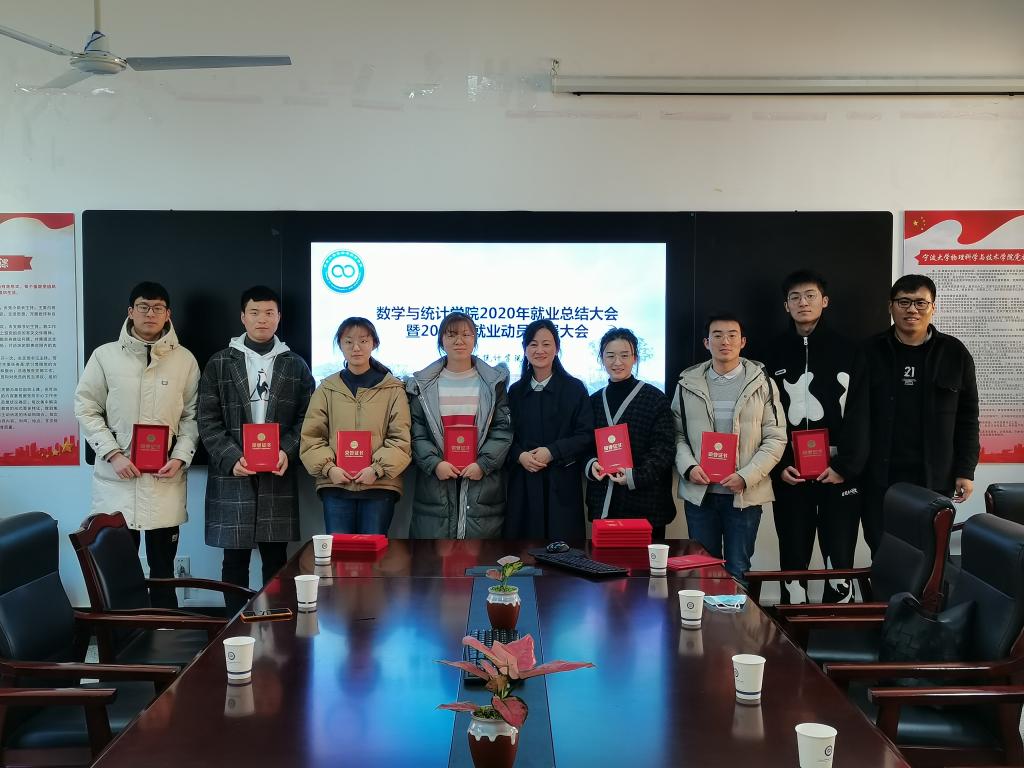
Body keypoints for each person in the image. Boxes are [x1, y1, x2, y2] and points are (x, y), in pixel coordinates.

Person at [74, 281, 199, 609]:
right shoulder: (104, 356)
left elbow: (193, 416)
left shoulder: (184, 360)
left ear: (168, 314)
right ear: (131, 312)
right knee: (118, 572)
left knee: (164, 572)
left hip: (164, 481)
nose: (150, 314)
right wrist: (112, 453)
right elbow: (85, 407)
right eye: (143, 307)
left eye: (158, 308)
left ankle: (166, 633)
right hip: (117, 480)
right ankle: (123, 636)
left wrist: (180, 456)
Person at [840, 274, 979, 555]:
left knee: (931, 553)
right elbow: (856, 415)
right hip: (880, 476)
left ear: (933, 307)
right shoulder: (870, 351)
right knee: (883, 550)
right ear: (890, 307)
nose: (912, 309)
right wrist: (849, 466)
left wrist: (965, 470)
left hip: (935, 477)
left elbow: (967, 418)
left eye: (920, 303)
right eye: (903, 302)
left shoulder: (955, 353)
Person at [198, 286, 314, 614]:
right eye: (255, 312)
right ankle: (234, 625)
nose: (262, 319)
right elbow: (206, 419)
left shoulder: (295, 365)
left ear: (279, 317)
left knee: (276, 559)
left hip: (277, 472)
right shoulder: (220, 362)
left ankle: (274, 624)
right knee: (233, 559)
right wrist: (231, 457)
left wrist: (287, 451)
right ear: (242, 317)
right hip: (233, 474)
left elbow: (308, 419)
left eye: (269, 313)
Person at [765, 271, 862, 604]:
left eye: (810, 295)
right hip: (791, 475)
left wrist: (846, 466)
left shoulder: (851, 350)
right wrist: (780, 466)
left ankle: (839, 626)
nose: (803, 302)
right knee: (793, 556)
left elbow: (863, 414)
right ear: (786, 306)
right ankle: (794, 629)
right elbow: (763, 417)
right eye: (795, 297)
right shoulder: (772, 352)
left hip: (839, 474)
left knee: (839, 557)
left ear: (825, 301)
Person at [672, 314, 785, 585]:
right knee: (702, 573)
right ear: (706, 342)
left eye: (732, 335)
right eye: (718, 335)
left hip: (743, 495)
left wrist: (746, 476)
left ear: (743, 341)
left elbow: (776, 437)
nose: (725, 341)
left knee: (738, 571)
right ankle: (705, 616)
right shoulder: (687, 383)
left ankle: (736, 615)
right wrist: (689, 467)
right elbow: (676, 434)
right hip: (701, 495)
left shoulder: (763, 383)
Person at [300, 317, 411, 535]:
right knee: (339, 554)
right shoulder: (327, 389)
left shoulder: (393, 389)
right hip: (336, 486)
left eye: (363, 340)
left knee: (374, 553)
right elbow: (311, 437)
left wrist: (376, 469)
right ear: (340, 345)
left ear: (374, 343)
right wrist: (329, 469)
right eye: (348, 341)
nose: (356, 347)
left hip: (379, 487)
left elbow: (401, 438)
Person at [406, 312, 512, 538]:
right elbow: (416, 431)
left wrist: (483, 464)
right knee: (433, 557)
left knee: (479, 556)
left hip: (480, 482)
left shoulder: (493, 383)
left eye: (466, 334)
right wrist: (435, 464)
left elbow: (502, 430)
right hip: (436, 482)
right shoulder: (423, 385)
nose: (459, 340)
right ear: (441, 340)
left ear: (475, 339)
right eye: (451, 334)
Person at [504, 319, 594, 540]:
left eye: (546, 344)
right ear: (525, 349)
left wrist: (552, 451)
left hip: (561, 483)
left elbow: (586, 434)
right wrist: (519, 455)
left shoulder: (574, 389)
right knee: (523, 550)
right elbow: (503, 434)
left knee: (563, 551)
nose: (540, 350)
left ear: (557, 348)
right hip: (524, 482)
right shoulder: (515, 391)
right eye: (533, 344)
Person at [585, 327, 676, 539]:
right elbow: (584, 444)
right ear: (601, 359)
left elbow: (664, 450)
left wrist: (633, 475)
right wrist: (591, 464)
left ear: (635, 358)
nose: (617, 362)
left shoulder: (655, 399)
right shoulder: (594, 401)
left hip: (647, 504)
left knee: (646, 561)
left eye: (624, 355)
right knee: (604, 559)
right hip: (605, 502)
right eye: (610, 356)